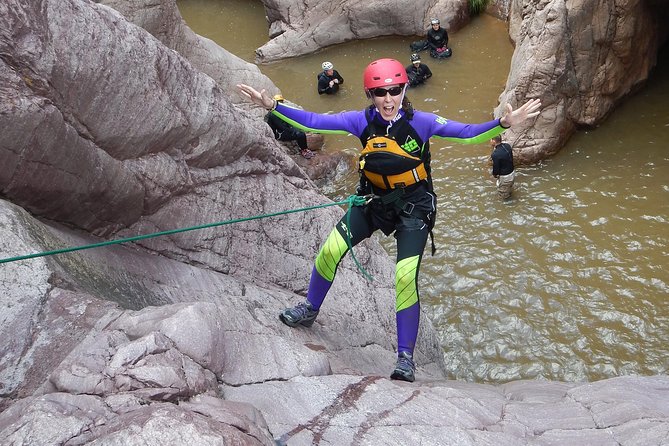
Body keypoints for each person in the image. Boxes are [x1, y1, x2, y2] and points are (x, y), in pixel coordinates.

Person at [238, 59, 540, 383]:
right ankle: (310, 309)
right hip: (374, 202)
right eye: (380, 92)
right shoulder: (361, 121)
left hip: (414, 208)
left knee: (404, 276)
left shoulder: (420, 123)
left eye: (394, 90)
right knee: (330, 250)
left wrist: (502, 124)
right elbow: (316, 121)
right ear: (370, 94)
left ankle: (405, 357)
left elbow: (466, 134)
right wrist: (274, 107)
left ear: (403, 90)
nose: (388, 99)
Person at [265, 95, 315, 159]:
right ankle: (304, 150)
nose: (280, 103)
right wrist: (294, 131)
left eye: (281, 101)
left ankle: (304, 147)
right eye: (279, 102)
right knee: (300, 134)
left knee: (299, 131)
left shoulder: (279, 111)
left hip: (283, 129)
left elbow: (288, 121)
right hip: (279, 133)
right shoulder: (273, 114)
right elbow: (282, 127)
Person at [490, 135, 515, 199]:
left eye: (491, 140)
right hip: (512, 173)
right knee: (509, 190)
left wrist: (494, 175)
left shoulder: (495, 154)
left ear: (494, 141)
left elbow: (496, 168)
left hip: (505, 177)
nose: (490, 141)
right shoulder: (507, 146)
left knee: (503, 197)